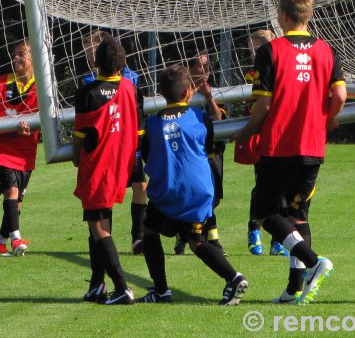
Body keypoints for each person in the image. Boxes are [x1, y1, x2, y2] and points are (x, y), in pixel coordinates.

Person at [232, 0, 346, 304]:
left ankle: (313, 263)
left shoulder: (271, 51)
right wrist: (331, 118)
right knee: (297, 214)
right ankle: (295, 288)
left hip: (280, 144)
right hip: (313, 145)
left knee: (266, 213)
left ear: (283, 15)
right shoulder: (326, 50)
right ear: (308, 15)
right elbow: (339, 96)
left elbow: (263, 106)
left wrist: (245, 131)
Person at [139, 65, 248, 305]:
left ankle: (161, 290)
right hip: (199, 193)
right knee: (197, 242)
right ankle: (233, 277)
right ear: (189, 91)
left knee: (149, 230)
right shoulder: (200, 117)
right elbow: (211, 149)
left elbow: (147, 154)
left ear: (160, 93)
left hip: (169, 193)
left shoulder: (152, 124)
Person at [73, 35, 142, 305]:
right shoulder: (129, 88)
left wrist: (76, 156)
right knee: (100, 223)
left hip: (97, 166)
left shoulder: (87, 93)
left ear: (96, 62)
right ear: (122, 64)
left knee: (99, 227)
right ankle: (96, 284)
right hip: (120, 163)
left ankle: (123, 287)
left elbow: (80, 138)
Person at [82, 30, 147, 255]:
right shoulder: (89, 82)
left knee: (141, 186)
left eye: (93, 50)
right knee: (104, 197)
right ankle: (103, 240)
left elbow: (138, 110)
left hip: (127, 146)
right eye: (87, 51)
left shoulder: (132, 78)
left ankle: (138, 237)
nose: (90, 55)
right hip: (105, 150)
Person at [234, 29, 289, 257]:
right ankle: (254, 229)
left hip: (282, 134)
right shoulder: (252, 74)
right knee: (263, 186)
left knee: (284, 187)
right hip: (261, 136)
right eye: (252, 49)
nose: (254, 53)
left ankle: (279, 240)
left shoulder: (282, 69)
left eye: (257, 48)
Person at [0, 40, 38, 257]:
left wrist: (31, 126)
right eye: (14, 54)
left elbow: (42, 118)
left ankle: (0, 242)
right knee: (12, 192)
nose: (16, 58)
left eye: (22, 54)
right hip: (2, 150)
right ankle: (16, 240)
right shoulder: (2, 82)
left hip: (25, 151)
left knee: (18, 201)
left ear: (33, 58)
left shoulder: (41, 85)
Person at [173, 52, 226, 255]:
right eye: (201, 65)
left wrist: (209, 96)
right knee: (200, 197)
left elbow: (219, 118)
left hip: (213, 157)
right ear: (189, 69)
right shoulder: (182, 93)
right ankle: (211, 242)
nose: (206, 71)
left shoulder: (215, 93)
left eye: (208, 66)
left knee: (214, 199)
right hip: (193, 158)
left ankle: (188, 235)